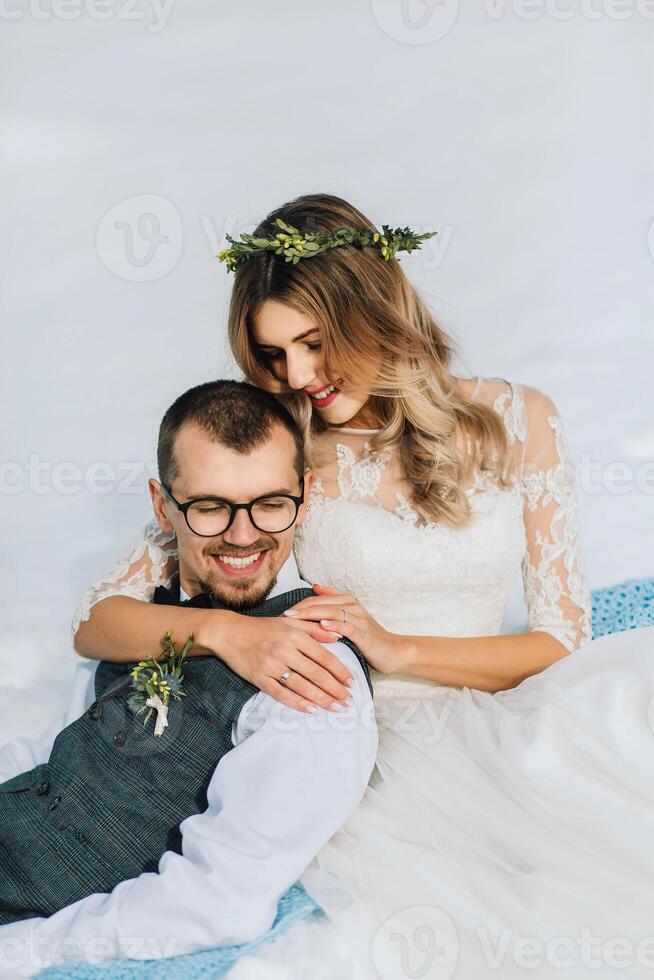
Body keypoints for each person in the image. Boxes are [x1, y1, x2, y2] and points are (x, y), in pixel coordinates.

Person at [36, 193, 654, 977]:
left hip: (502, 710)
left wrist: (395, 648)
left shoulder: (519, 419)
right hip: (371, 750)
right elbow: (96, 622)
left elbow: (561, 643)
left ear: (377, 310)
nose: (298, 375)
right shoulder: (277, 447)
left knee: (613, 833)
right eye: (274, 354)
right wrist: (229, 632)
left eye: (315, 344)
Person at [0, 379, 377, 977]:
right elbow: (57, 744)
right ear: (162, 506)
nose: (243, 535)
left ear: (305, 495)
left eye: (270, 504)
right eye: (209, 507)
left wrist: (23, 950)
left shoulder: (315, 676)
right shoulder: (149, 609)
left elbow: (215, 900)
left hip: (33, 911)